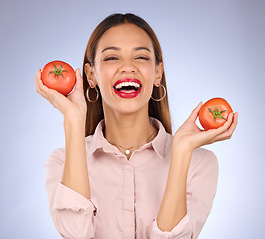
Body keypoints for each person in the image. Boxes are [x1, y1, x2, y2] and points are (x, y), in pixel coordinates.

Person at [35, 13, 238, 239]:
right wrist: (73, 118)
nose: (128, 67)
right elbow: (75, 234)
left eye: (141, 57)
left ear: (158, 73)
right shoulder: (61, 162)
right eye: (112, 58)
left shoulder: (200, 163)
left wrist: (181, 151)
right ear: (90, 75)